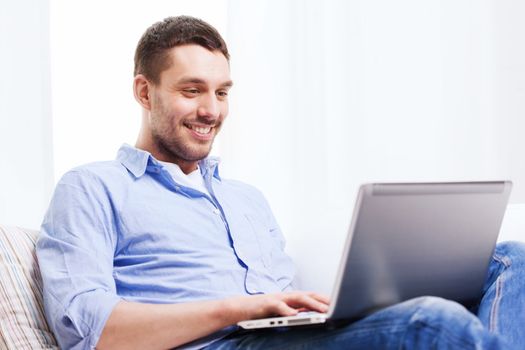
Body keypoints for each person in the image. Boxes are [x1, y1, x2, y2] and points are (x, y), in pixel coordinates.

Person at [36, 15, 525, 350]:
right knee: (433, 324)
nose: (212, 110)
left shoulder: (246, 199)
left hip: (287, 336)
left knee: (509, 258)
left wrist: (343, 301)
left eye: (222, 92)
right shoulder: (91, 187)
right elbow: (90, 330)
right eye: (192, 91)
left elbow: (278, 302)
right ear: (144, 91)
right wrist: (236, 309)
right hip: (220, 343)